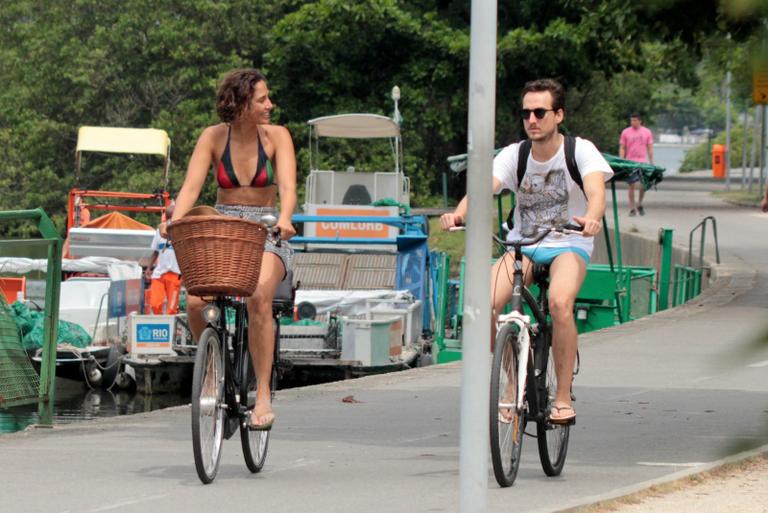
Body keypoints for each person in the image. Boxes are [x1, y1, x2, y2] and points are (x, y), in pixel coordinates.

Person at [440, 78, 613, 424]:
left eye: (540, 112)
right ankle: (512, 378)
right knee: (483, 301)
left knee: (560, 303)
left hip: (569, 243)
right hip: (525, 245)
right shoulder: (514, 155)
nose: (532, 119)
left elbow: (596, 193)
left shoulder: (580, 151)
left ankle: (562, 397)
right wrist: (460, 212)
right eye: (526, 113)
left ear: (558, 115)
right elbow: (481, 188)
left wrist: (592, 219)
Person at [170, 68, 297, 430]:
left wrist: (285, 219)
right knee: (195, 300)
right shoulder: (212, 137)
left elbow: (288, 188)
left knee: (259, 296)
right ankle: (212, 368)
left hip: (268, 227)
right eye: (262, 100)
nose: (270, 105)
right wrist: (175, 222)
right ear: (241, 104)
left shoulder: (276, 137)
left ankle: (263, 396)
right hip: (224, 226)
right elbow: (191, 188)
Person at [145, 201, 181, 315]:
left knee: (172, 309)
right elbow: (155, 252)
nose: (169, 220)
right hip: (159, 273)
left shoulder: (182, 231)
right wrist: (148, 268)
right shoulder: (158, 232)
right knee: (155, 304)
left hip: (175, 273)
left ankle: (173, 330)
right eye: (168, 217)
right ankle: (159, 326)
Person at [619, 114, 653, 216]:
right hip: (630, 162)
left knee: (643, 185)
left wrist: (651, 162)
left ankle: (639, 203)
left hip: (643, 161)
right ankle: (632, 208)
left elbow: (650, 147)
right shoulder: (626, 132)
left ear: (640, 121)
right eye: (631, 120)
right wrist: (622, 160)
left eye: (634, 120)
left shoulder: (647, 132)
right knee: (631, 185)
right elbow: (622, 147)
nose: (632, 122)